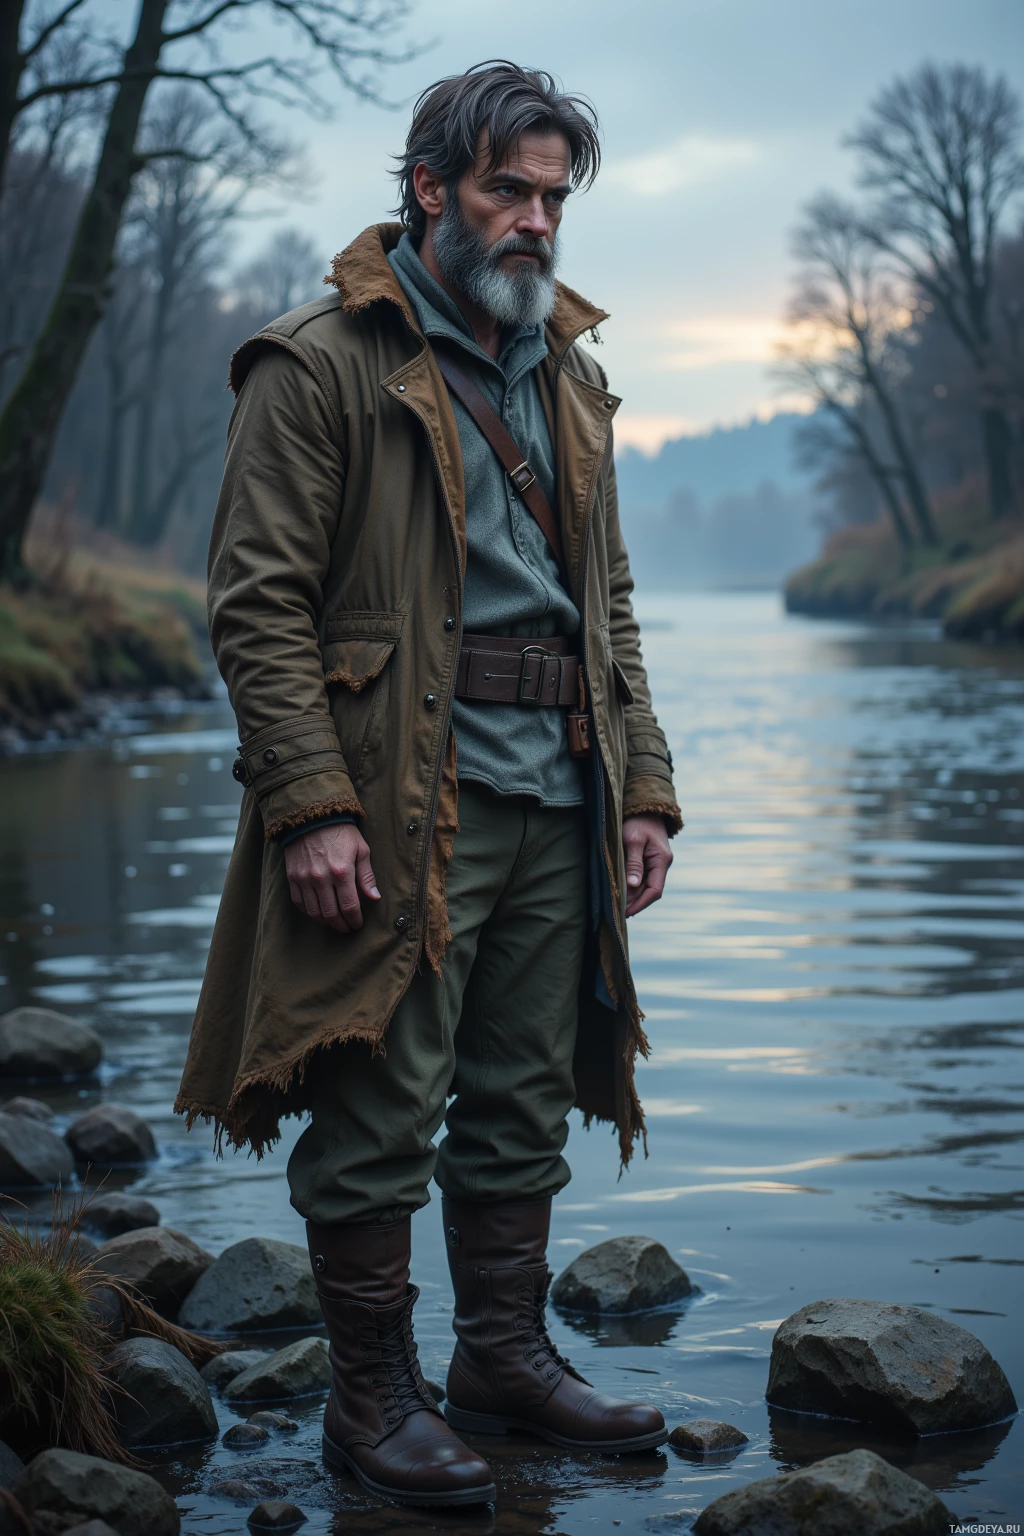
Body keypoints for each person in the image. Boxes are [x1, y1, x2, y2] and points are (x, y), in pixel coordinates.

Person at [176, 59, 682, 1509]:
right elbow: (257, 605)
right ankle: (371, 1400)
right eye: (504, 190)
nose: (533, 220)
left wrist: (643, 784)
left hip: (557, 795)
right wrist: (311, 807)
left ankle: (504, 1359)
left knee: (523, 1099)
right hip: (402, 792)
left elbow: (613, 603)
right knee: (381, 1104)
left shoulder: (572, 376)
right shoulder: (320, 358)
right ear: (429, 191)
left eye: (551, 197)